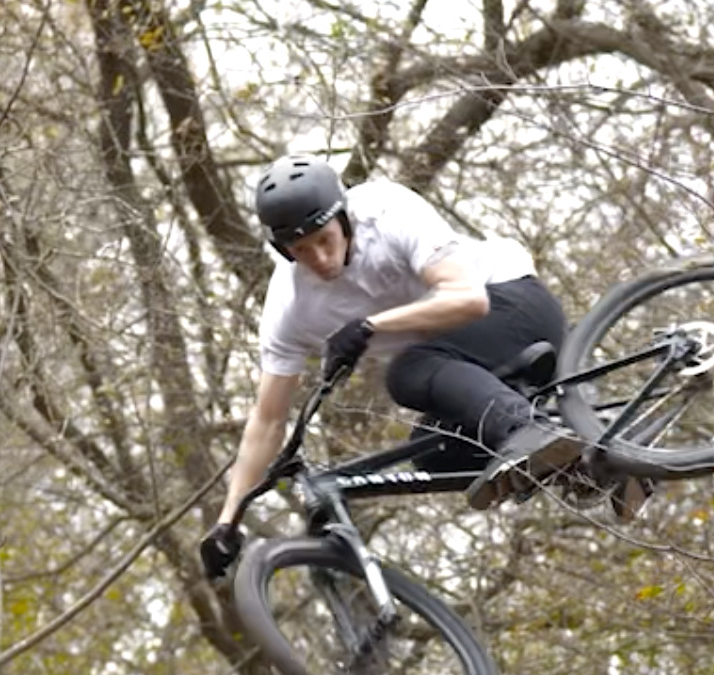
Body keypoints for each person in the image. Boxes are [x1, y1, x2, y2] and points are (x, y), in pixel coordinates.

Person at [200, 154, 592, 583]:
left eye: (325, 240)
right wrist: (228, 520)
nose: (321, 258)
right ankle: (588, 461)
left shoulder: (385, 211)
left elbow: (468, 299)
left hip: (513, 304)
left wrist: (372, 326)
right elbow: (267, 420)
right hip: (469, 362)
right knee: (434, 452)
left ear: (344, 219)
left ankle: (526, 428)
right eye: (302, 251)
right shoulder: (290, 306)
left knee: (408, 372)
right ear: (283, 251)